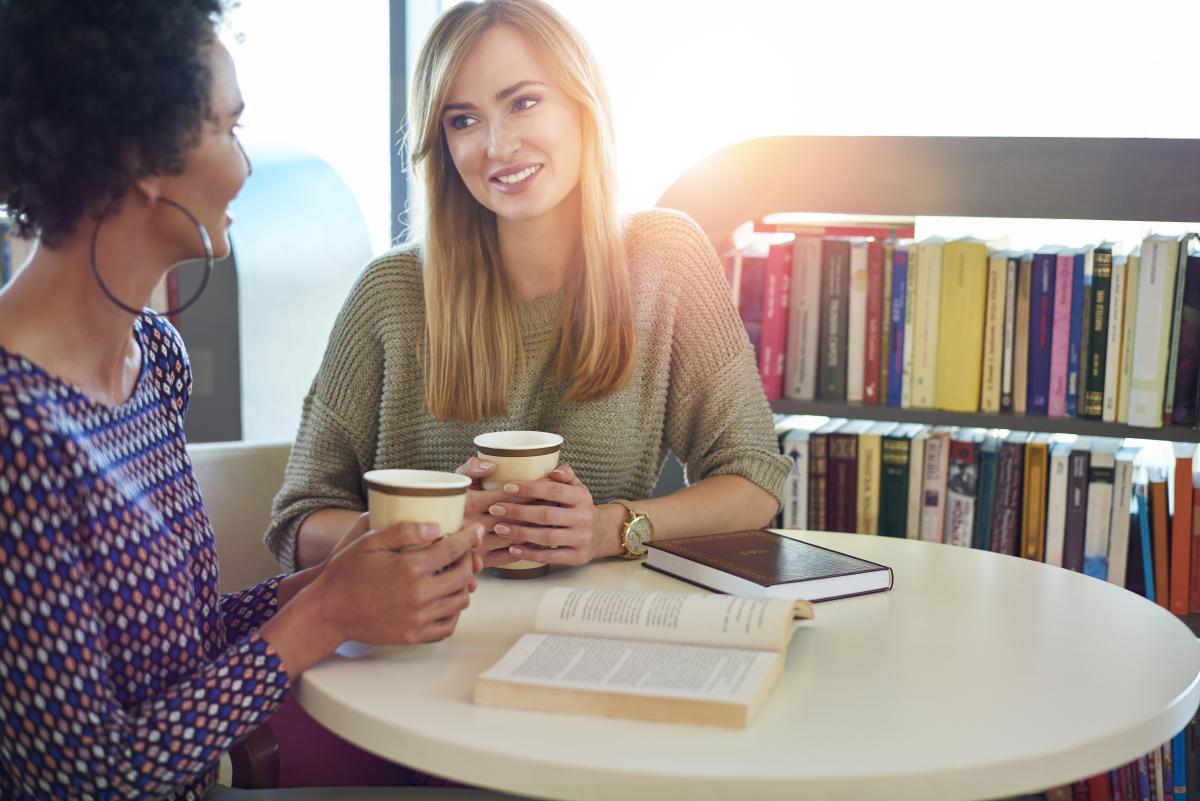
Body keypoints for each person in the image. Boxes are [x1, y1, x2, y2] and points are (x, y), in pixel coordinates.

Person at [0, 2, 482, 798]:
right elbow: (88, 778)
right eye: (228, 128)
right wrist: (322, 618)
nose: (246, 167)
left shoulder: (152, 358)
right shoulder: (18, 431)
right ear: (142, 156)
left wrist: (338, 585)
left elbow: (178, 648)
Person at [267, 0, 790, 578]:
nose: (498, 145)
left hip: (594, 627)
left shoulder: (664, 259)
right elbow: (299, 521)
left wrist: (609, 529)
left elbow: (754, 479)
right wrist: (428, 530)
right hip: (422, 635)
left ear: (581, 105)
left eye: (524, 102)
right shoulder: (390, 293)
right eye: (462, 119)